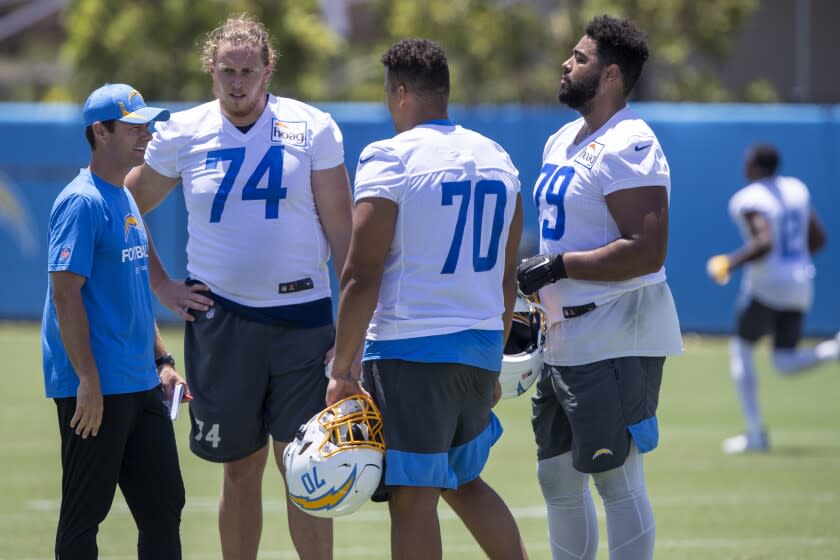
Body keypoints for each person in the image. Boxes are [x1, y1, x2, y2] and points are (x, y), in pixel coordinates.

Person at [124, 13, 352, 560]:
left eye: (248, 70)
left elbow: (343, 233)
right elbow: (123, 205)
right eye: (226, 70)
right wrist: (161, 283)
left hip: (304, 318)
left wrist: (352, 327)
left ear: (268, 70)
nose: (237, 82)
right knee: (240, 467)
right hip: (221, 319)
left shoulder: (312, 126)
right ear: (211, 71)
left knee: (306, 466)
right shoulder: (183, 130)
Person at [325, 38, 527, 560]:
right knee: (463, 481)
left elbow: (360, 272)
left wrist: (341, 369)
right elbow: (508, 275)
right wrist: (494, 354)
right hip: (480, 343)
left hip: (413, 349)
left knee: (413, 498)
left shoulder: (390, 156)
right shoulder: (497, 157)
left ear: (402, 92)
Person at [515, 15, 683, 560]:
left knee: (617, 478)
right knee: (556, 479)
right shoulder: (563, 137)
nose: (567, 63)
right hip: (565, 333)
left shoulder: (631, 140)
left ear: (611, 75)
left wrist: (558, 267)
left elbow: (646, 249)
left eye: (580, 58)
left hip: (616, 331)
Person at [42, 83, 187, 559]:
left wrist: (162, 359)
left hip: (139, 381)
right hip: (95, 389)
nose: (145, 135)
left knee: (164, 504)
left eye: (146, 126)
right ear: (100, 132)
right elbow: (66, 295)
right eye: (132, 127)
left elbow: (132, 295)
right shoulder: (81, 202)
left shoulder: (124, 195)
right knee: (85, 516)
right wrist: (87, 380)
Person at [706, 143, 839, 454]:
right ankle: (834, 350)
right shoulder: (796, 189)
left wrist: (729, 262)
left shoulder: (750, 198)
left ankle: (755, 434)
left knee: (741, 349)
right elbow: (818, 239)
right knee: (784, 361)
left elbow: (763, 242)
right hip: (801, 281)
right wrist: (792, 264)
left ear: (754, 165)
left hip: (766, 286)